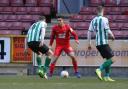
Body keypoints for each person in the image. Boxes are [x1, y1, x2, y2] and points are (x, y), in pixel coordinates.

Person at [87, 6, 116, 81]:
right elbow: (107, 29)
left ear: (96, 11)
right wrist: (112, 35)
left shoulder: (93, 20)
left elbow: (89, 32)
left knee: (108, 59)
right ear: (103, 11)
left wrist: (89, 43)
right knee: (113, 59)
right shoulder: (104, 19)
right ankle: (99, 69)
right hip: (103, 42)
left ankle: (107, 76)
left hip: (97, 43)